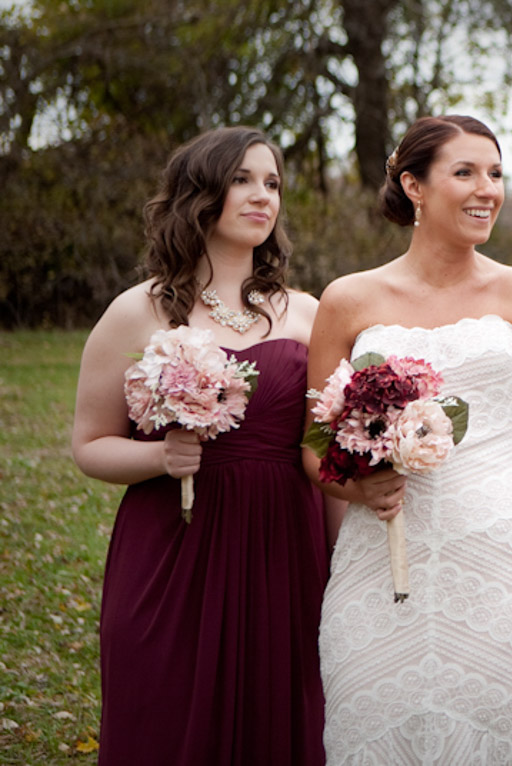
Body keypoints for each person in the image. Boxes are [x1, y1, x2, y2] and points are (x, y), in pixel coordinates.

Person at [308, 115, 512, 764]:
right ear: (414, 186)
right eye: (466, 172)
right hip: (378, 566)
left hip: (504, 566)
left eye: (497, 173)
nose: (488, 189)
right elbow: (311, 443)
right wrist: (358, 488)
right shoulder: (346, 300)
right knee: (369, 729)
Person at [71, 127, 328, 764]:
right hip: (173, 546)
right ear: (199, 193)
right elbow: (89, 444)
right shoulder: (140, 311)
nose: (261, 196)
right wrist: (158, 457)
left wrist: (348, 554)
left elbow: (324, 448)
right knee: (167, 712)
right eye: (242, 179)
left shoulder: (307, 314)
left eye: (272, 183)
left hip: (284, 547)